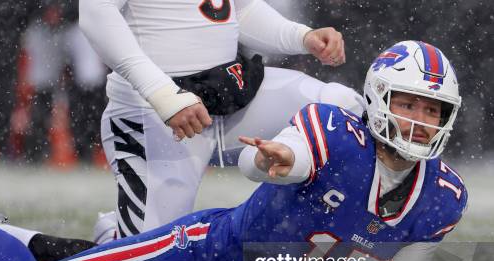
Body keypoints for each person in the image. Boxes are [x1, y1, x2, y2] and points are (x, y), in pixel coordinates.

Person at [0, 41, 466, 261]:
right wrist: (279, 162)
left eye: (432, 109)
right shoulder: (338, 133)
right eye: (409, 103)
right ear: (379, 99)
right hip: (203, 257)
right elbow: (270, 163)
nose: (419, 120)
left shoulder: (443, 195)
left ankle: (6, 234)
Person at [79, 0, 364, 239]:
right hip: (153, 112)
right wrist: (162, 93)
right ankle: (109, 238)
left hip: (228, 92)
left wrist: (301, 36)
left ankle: (301, 245)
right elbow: (96, 15)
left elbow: (240, 11)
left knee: (341, 109)